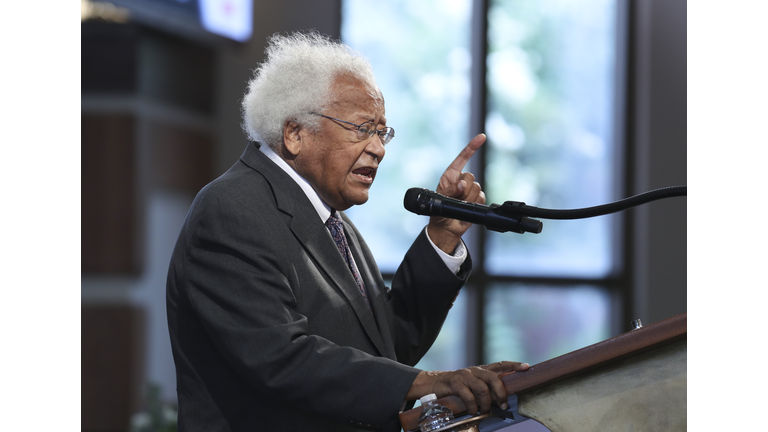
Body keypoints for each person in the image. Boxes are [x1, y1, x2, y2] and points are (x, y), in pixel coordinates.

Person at [166, 31, 529, 432]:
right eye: (362, 128)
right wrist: (427, 381)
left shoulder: (336, 224)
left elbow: (386, 347)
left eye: (382, 132)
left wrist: (442, 235)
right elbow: (280, 358)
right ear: (295, 133)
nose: (379, 148)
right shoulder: (231, 208)